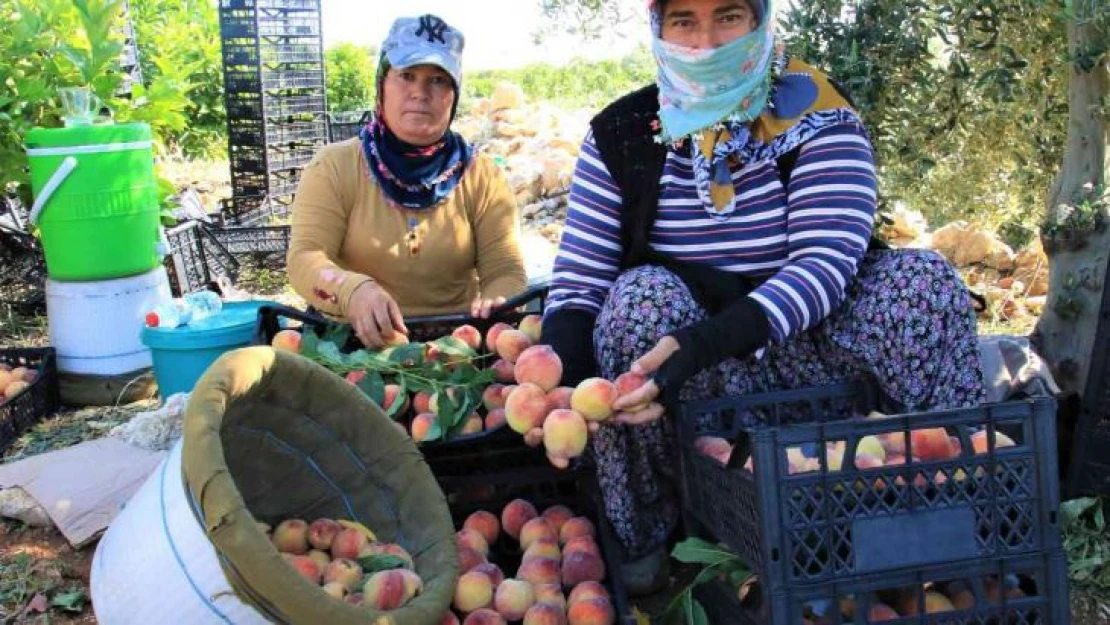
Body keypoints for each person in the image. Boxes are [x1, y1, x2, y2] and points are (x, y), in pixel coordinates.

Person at [539, 0, 986, 594]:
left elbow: (824, 265)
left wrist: (698, 345)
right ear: (658, 28)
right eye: (683, 21)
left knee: (926, 284)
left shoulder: (817, 113)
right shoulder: (620, 135)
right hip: (698, 391)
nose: (706, 42)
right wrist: (557, 388)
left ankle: (944, 510)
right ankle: (656, 533)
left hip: (818, 361)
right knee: (634, 303)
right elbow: (580, 281)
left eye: (728, 17)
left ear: (760, 19)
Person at [288, 14, 526, 348]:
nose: (420, 92)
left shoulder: (482, 176)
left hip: (456, 349)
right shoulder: (335, 166)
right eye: (407, 76)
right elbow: (304, 257)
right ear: (382, 85)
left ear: (454, 94)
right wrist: (351, 291)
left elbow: (506, 269)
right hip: (353, 345)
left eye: (438, 80)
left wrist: (496, 302)